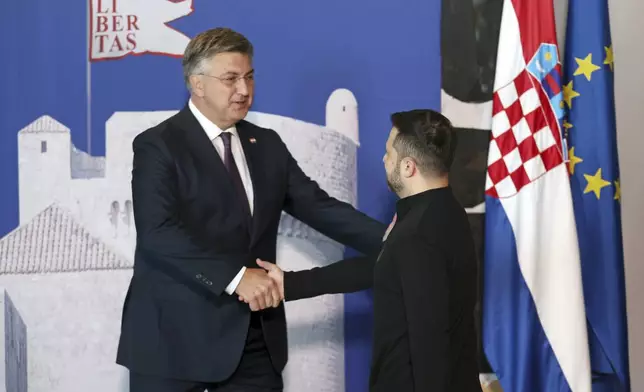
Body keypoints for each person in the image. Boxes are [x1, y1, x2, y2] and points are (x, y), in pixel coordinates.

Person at [116, 27, 386, 392]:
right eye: (231, 79)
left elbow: (318, 207)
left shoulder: (267, 145)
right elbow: (157, 233)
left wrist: (393, 239)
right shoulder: (158, 145)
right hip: (173, 345)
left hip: (255, 342)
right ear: (197, 84)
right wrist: (236, 277)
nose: (244, 89)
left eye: (249, 76)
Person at [253, 109, 482, 391]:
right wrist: (291, 284)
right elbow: (381, 266)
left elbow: (429, 341)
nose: (384, 160)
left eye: (389, 153)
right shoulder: (444, 211)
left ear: (408, 167)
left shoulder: (418, 233)